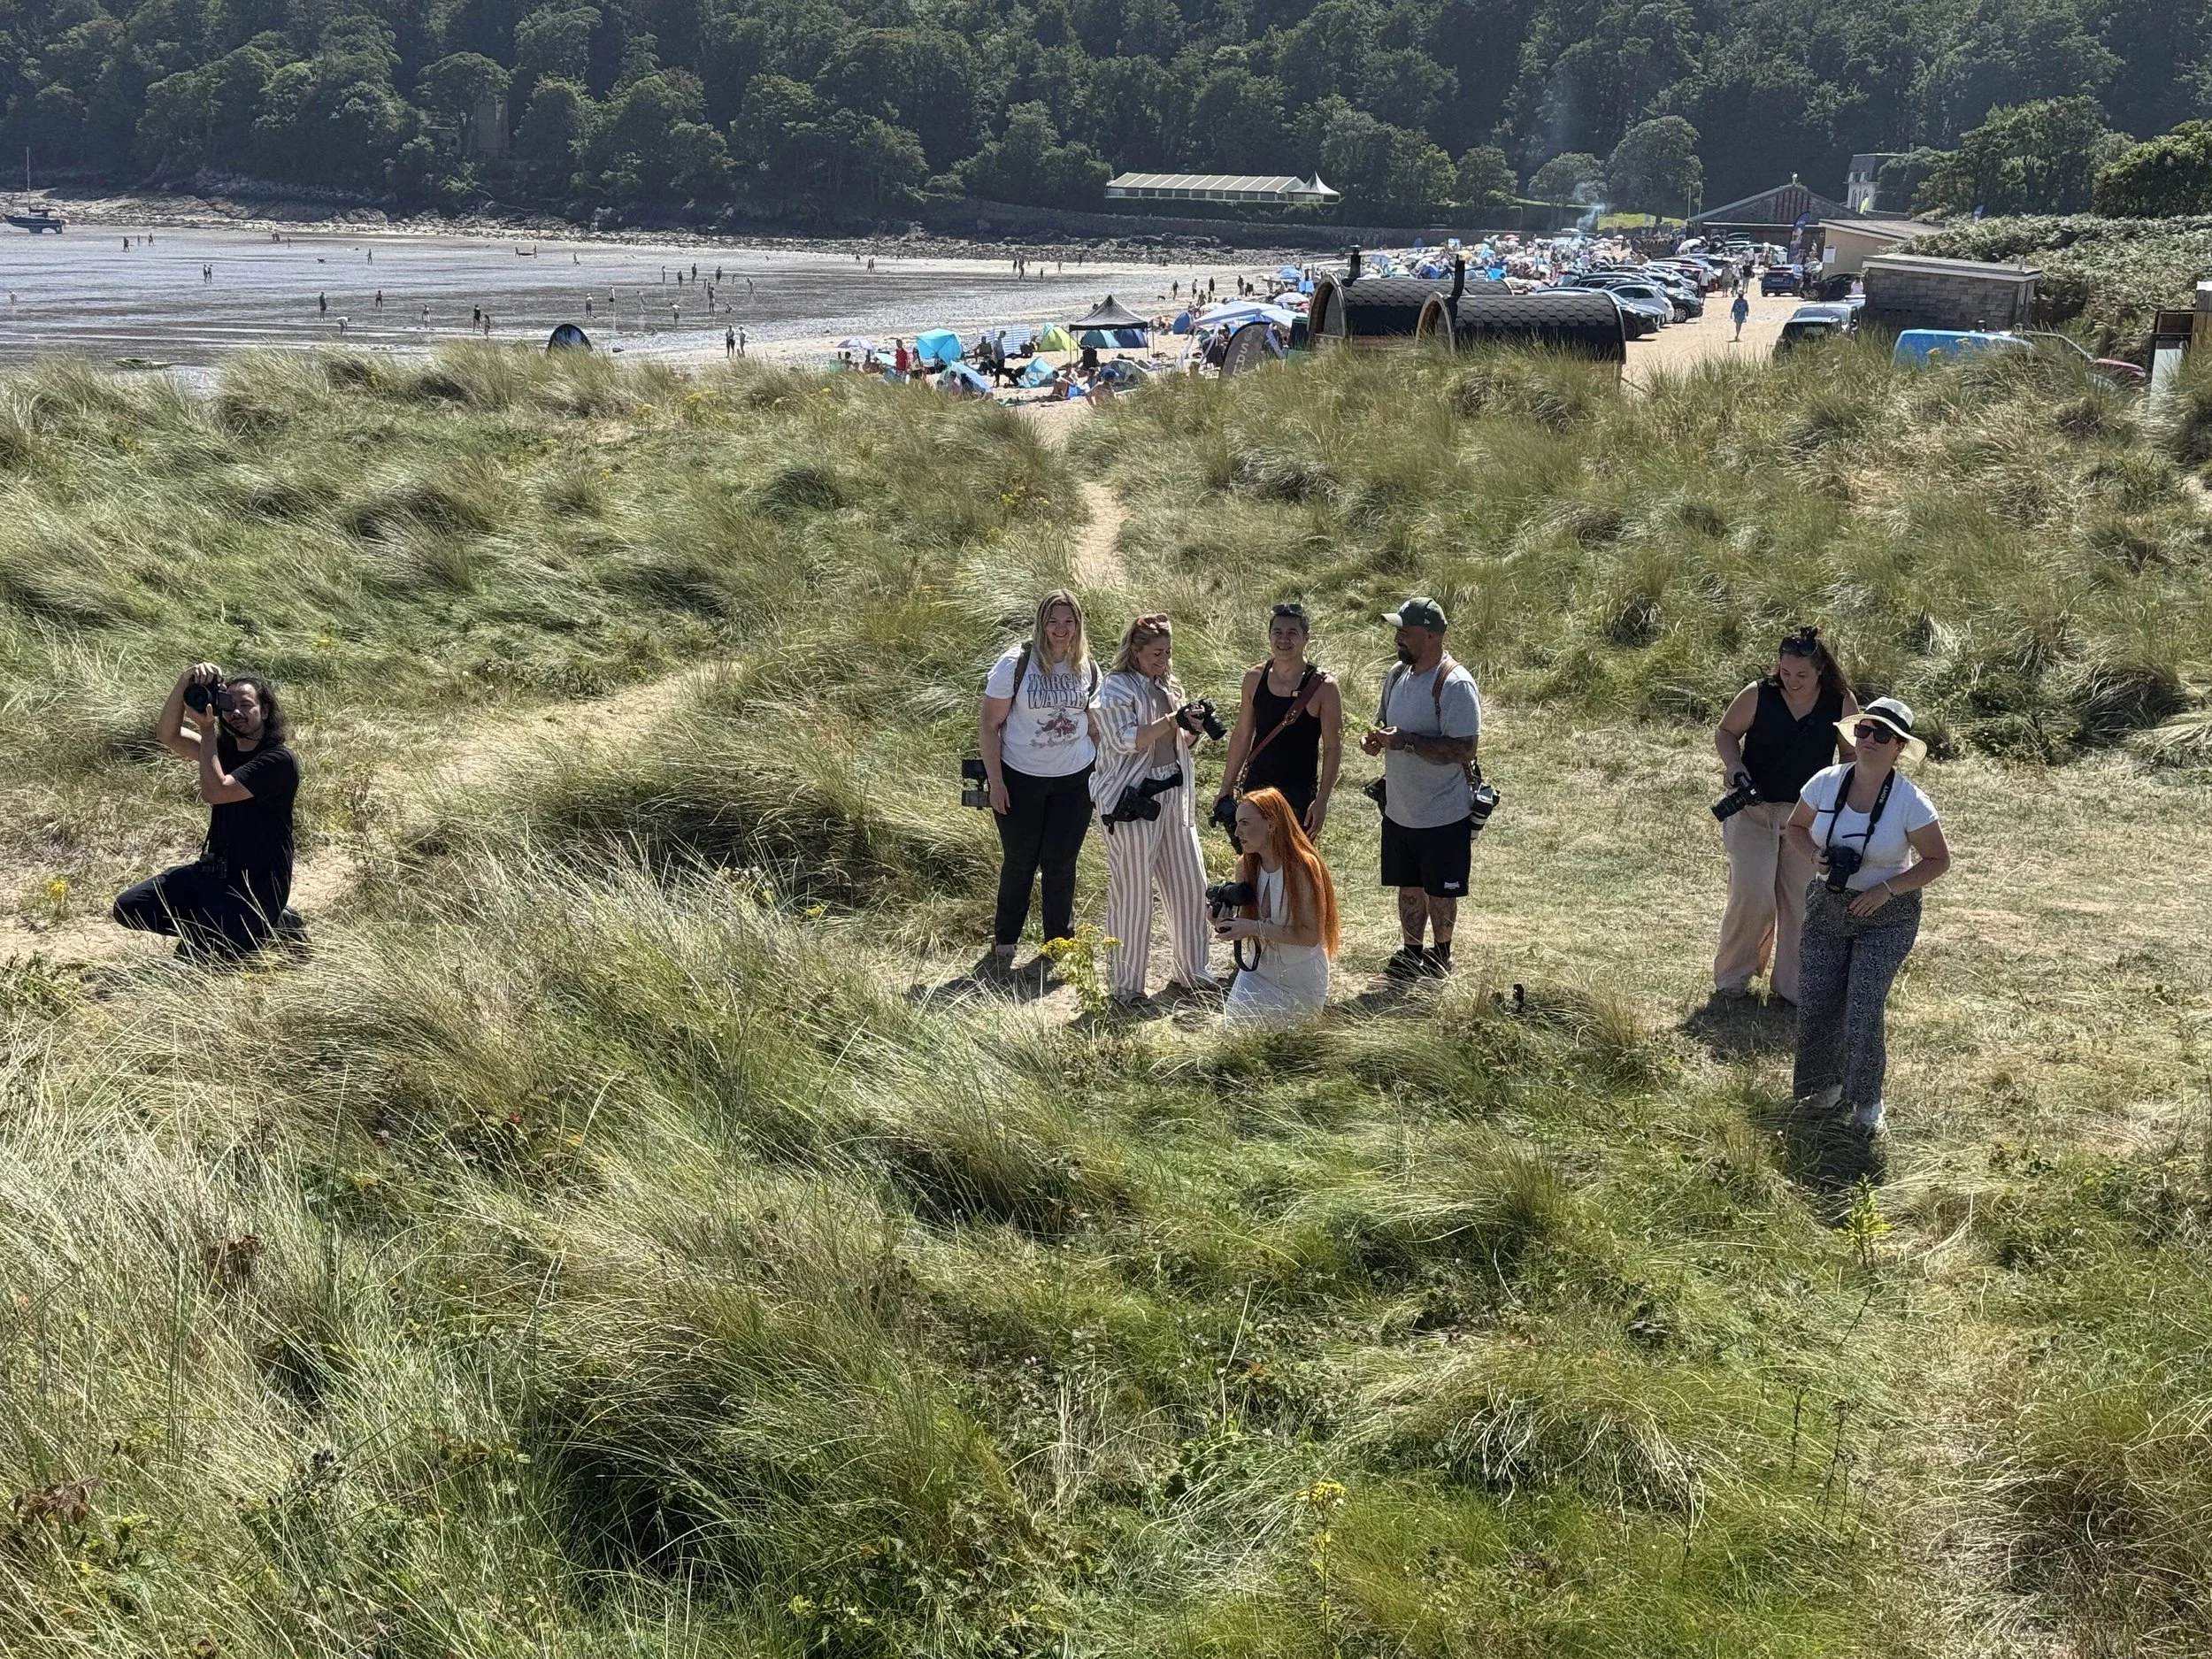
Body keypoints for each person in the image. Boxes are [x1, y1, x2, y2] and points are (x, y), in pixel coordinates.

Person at [1785, 698, 1951, 1136]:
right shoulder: (1825, 782)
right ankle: (1824, 1086)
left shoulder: (1911, 802)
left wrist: (1886, 889)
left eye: (1882, 735)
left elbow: (1937, 860)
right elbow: (1796, 829)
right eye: (1863, 730)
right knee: (1818, 996)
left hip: (1887, 914)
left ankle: (1867, 1100)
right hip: (1827, 905)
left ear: (1899, 747)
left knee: (1862, 1004)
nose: (1870, 740)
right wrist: (1816, 856)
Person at [1711, 627, 1859, 1005]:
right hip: (1752, 812)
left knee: (1800, 902)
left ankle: (1793, 987)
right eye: (1786, 672)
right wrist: (1733, 765)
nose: (1792, 682)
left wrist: (1839, 791)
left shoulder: (1840, 703)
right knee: (1752, 894)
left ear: (1821, 670)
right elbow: (1727, 731)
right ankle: (1732, 980)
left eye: (1802, 675)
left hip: (1805, 819)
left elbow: (1852, 754)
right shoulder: (1758, 694)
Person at [113, 664, 301, 957]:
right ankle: (232, 927)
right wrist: (183, 682)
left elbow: (217, 792)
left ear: (264, 711)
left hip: (258, 885)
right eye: (228, 705)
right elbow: (168, 735)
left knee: (190, 961)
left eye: (246, 705)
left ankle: (269, 921)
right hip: (215, 874)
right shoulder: (221, 752)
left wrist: (206, 728)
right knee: (130, 907)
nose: (235, 713)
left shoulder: (279, 760)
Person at [1093, 614, 1216, 1004]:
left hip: (1174, 796)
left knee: (1191, 885)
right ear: (1135, 651)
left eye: (1168, 652)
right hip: (1132, 802)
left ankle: (1193, 971)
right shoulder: (1115, 688)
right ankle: (1126, 987)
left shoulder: (1168, 684)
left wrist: (1192, 727)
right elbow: (1126, 739)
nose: (1163, 660)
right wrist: (1170, 720)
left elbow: (1179, 743)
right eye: (1156, 653)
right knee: (1132, 895)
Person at [1360, 597, 1482, 979]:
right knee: (1408, 886)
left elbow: (1465, 750)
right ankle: (1412, 952)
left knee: (1441, 890)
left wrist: (1407, 741)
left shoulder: (1455, 684)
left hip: (1444, 812)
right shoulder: (1397, 674)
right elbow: (1385, 724)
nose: (1397, 637)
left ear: (1430, 636)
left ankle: (1441, 954)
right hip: (1400, 808)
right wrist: (1376, 741)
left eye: (1404, 631)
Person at [979, 591, 1100, 967]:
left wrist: (1094, 768)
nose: (1061, 629)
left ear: (1078, 624)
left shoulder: (1088, 667)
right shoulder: (1016, 663)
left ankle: (1058, 943)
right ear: (1041, 623)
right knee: (1020, 861)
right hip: (1021, 778)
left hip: (1073, 781)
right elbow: (989, 725)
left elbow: (1095, 726)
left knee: (1062, 862)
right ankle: (1006, 941)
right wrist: (996, 783)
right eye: (1053, 621)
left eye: (1068, 621)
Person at [1213, 602, 1342, 837]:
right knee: (1252, 860)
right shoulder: (1254, 678)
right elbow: (1242, 733)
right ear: (1269, 636)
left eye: (1292, 633)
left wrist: (1322, 800)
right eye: (1278, 633)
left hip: (1299, 792)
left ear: (1306, 638)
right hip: (1256, 788)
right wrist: (1226, 786)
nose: (1284, 640)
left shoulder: (1324, 687)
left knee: (1294, 867)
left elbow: (1333, 747)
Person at [1217, 787, 1339, 1024]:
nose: (1237, 831)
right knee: (1234, 1038)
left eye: (1245, 823)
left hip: (1299, 976)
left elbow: (1310, 936)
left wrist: (1252, 928)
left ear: (1271, 824)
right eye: (1236, 823)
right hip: (1257, 971)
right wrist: (1225, 923)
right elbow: (1246, 922)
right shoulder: (1246, 866)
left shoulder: (1303, 867)